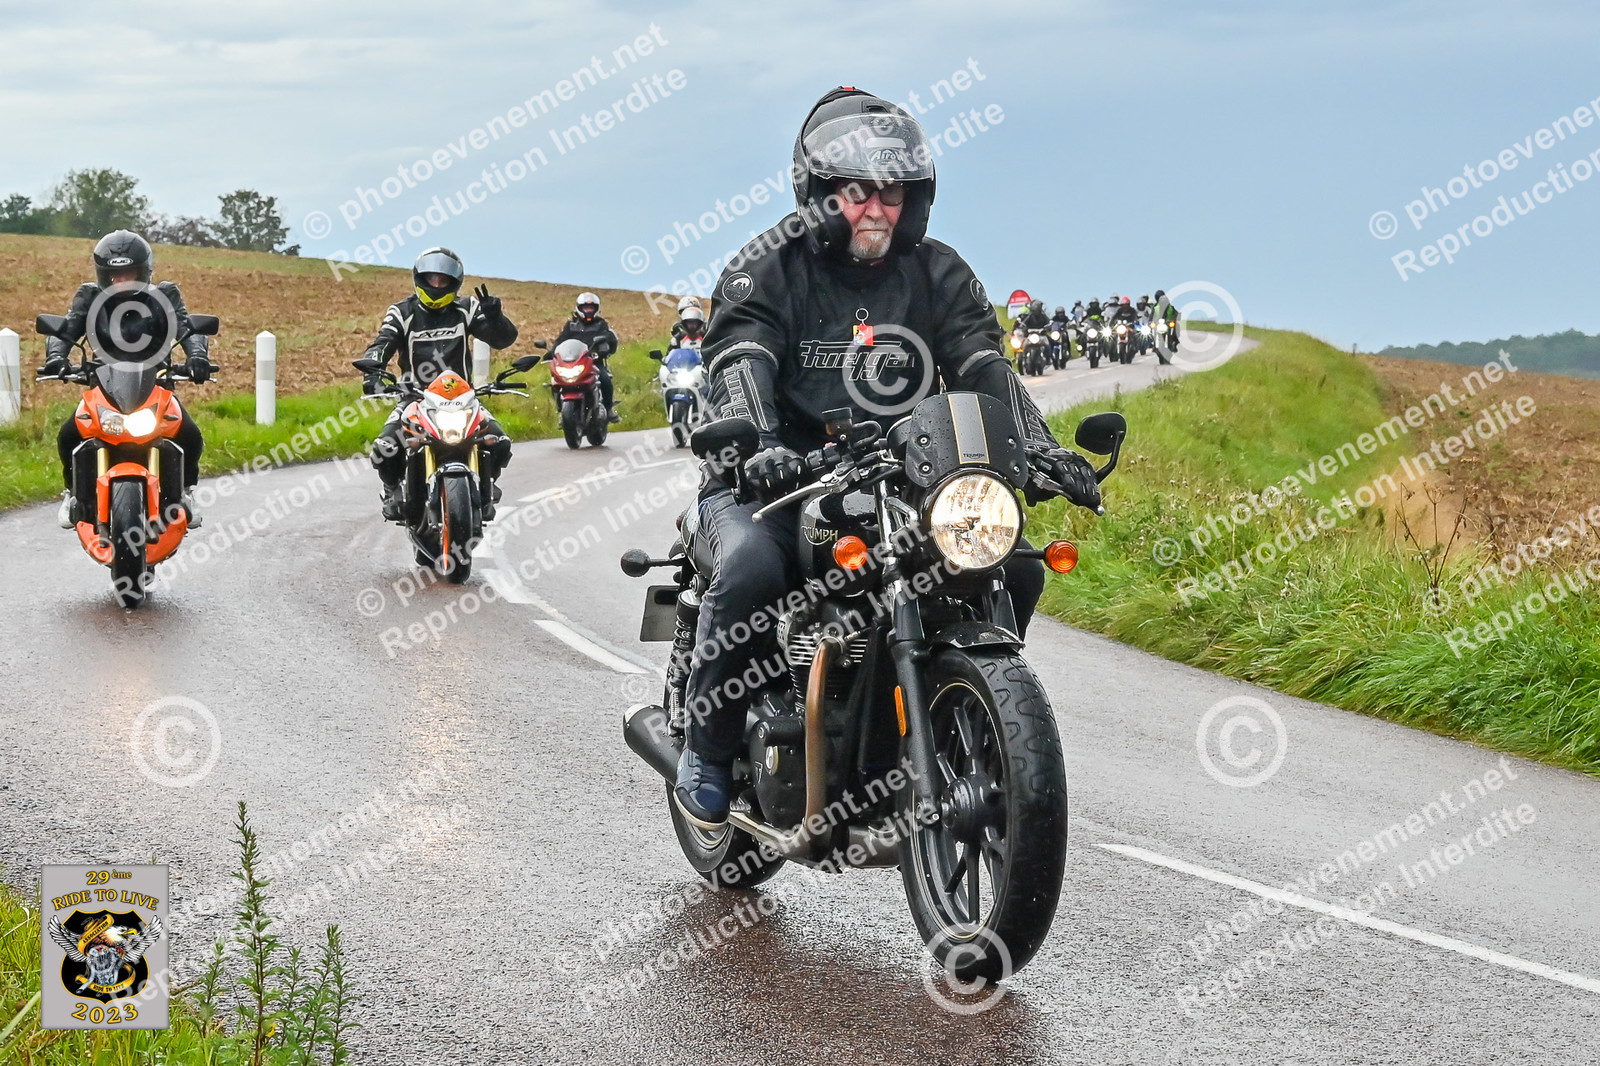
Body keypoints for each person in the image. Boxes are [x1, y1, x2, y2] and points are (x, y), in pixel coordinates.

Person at [673, 87, 1103, 828]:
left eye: (892, 194)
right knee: (750, 569)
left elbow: (983, 365)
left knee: (1015, 562)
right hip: (771, 482)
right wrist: (760, 444)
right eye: (858, 192)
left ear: (916, 199)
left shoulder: (939, 273)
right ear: (820, 193)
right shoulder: (766, 267)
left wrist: (1037, 446)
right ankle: (708, 752)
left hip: (901, 475)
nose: (876, 209)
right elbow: (740, 358)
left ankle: (956, 713)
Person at [44, 230, 211, 529]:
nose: (121, 280)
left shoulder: (164, 295)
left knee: (190, 434)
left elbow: (187, 328)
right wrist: (56, 358)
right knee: (69, 435)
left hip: (156, 386)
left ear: (143, 272)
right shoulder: (90, 296)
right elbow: (67, 330)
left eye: (129, 273)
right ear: (103, 275)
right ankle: (72, 494)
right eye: (115, 275)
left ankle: (187, 491)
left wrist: (197, 357)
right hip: (104, 388)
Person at [360, 247, 517, 521]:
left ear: (454, 283)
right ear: (420, 278)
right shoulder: (402, 312)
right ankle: (393, 490)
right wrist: (372, 372)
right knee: (384, 447)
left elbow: (502, 340)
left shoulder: (467, 309)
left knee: (500, 442)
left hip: (463, 398)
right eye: (431, 278)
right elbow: (382, 343)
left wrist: (495, 318)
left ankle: (487, 484)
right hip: (415, 398)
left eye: (443, 280)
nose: (436, 284)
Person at [554, 292, 621, 423]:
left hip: (594, 362)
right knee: (556, 381)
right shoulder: (571, 326)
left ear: (596, 309)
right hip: (573, 362)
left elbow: (608, 337)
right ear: (579, 308)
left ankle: (608, 409)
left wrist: (604, 347)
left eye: (591, 308)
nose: (588, 311)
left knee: (605, 379)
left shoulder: (601, 324)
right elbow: (560, 341)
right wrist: (553, 352)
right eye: (586, 308)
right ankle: (562, 412)